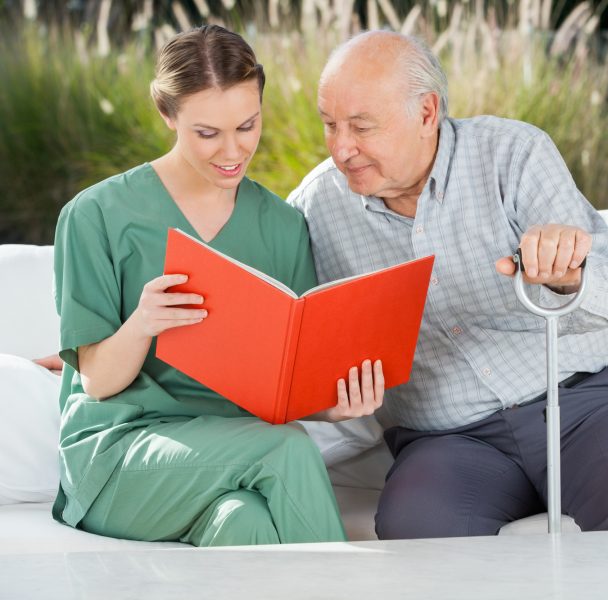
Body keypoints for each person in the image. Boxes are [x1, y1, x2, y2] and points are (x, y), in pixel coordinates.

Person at [288, 30, 608, 539]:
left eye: (361, 126)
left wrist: (568, 277)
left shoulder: (514, 154)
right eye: (329, 125)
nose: (341, 147)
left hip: (582, 406)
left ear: (426, 113)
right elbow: (299, 342)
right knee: (416, 528)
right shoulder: (314, 207)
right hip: (447, 439)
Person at [51, 24, 383, 547]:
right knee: (289, 448)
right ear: (168, 114)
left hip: (231, 458)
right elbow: (96, 383)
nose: (232, 151)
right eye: (207, 133)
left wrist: (334, 403)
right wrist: (142, 324)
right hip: (121, 456)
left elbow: (286, 382)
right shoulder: (95, 215)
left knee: (244, 523)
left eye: (247, 126)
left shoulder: (280, 224)